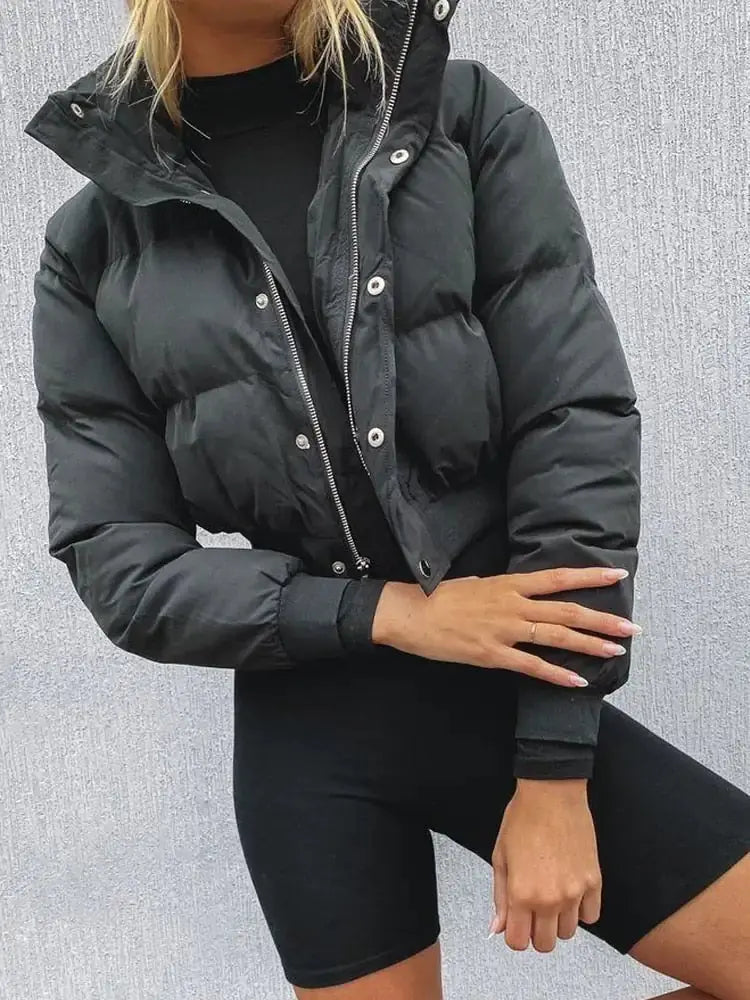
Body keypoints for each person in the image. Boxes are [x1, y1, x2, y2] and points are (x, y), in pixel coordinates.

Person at [23, 1, 750, 997]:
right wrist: (397, 614)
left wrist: (554, 767)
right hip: (311, 737)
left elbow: (573, 428)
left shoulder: (459, 118)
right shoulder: (94, 244)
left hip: (514, 682)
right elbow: (121, 563)